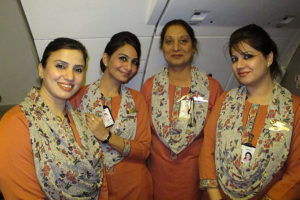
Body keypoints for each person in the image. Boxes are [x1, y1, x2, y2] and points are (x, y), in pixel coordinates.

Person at [199, 24, 300, 200]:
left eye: (248, 56)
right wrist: (215, 196)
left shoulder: (294, 109)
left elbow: (296, 171)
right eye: (234, 59)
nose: (240, 65)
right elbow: (208, 149)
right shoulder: (225, 100)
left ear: (269, 58)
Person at [0, 38, 107, 199]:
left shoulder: (81, 120)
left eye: (78, 69)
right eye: (60, 66)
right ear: (41, 70)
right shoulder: (15, 123)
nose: (70, 76)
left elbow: (100, 180)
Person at [141, 19, 223, 200]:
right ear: (163, 47)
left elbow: (217, 140)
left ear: (193, 46)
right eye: (169, 41)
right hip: (157, 176)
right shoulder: (150, 87)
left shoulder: (211, 88)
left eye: (183, 41)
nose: (176, 47)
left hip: (195, 177)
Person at [70, 31, 153, 200]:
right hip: (94, 186)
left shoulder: (137, 100)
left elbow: (144, 150)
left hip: (133, 187)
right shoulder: (78, 97)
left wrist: (107, 136)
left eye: (134, 62)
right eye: (123, 58)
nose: (129, 67)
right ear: (106, 59)